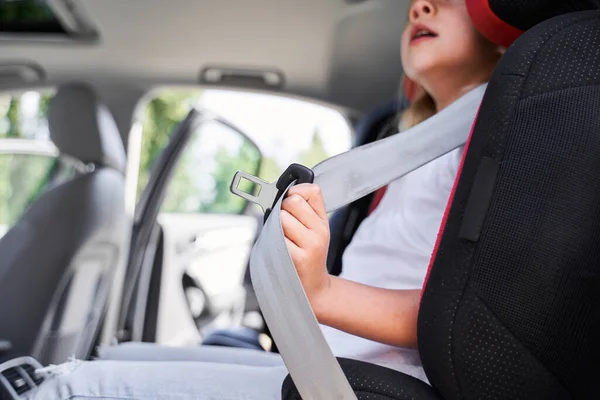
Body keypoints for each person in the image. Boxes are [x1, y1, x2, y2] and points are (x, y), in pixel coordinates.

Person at [28, 1, 503, 399]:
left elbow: (470, 312)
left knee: (69, 388)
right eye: (415, 2)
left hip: (371, 382)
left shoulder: (499, 144)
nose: (420, 5)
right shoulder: (411, 147)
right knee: (116, 357)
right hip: (335, 359)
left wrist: (322, 292)